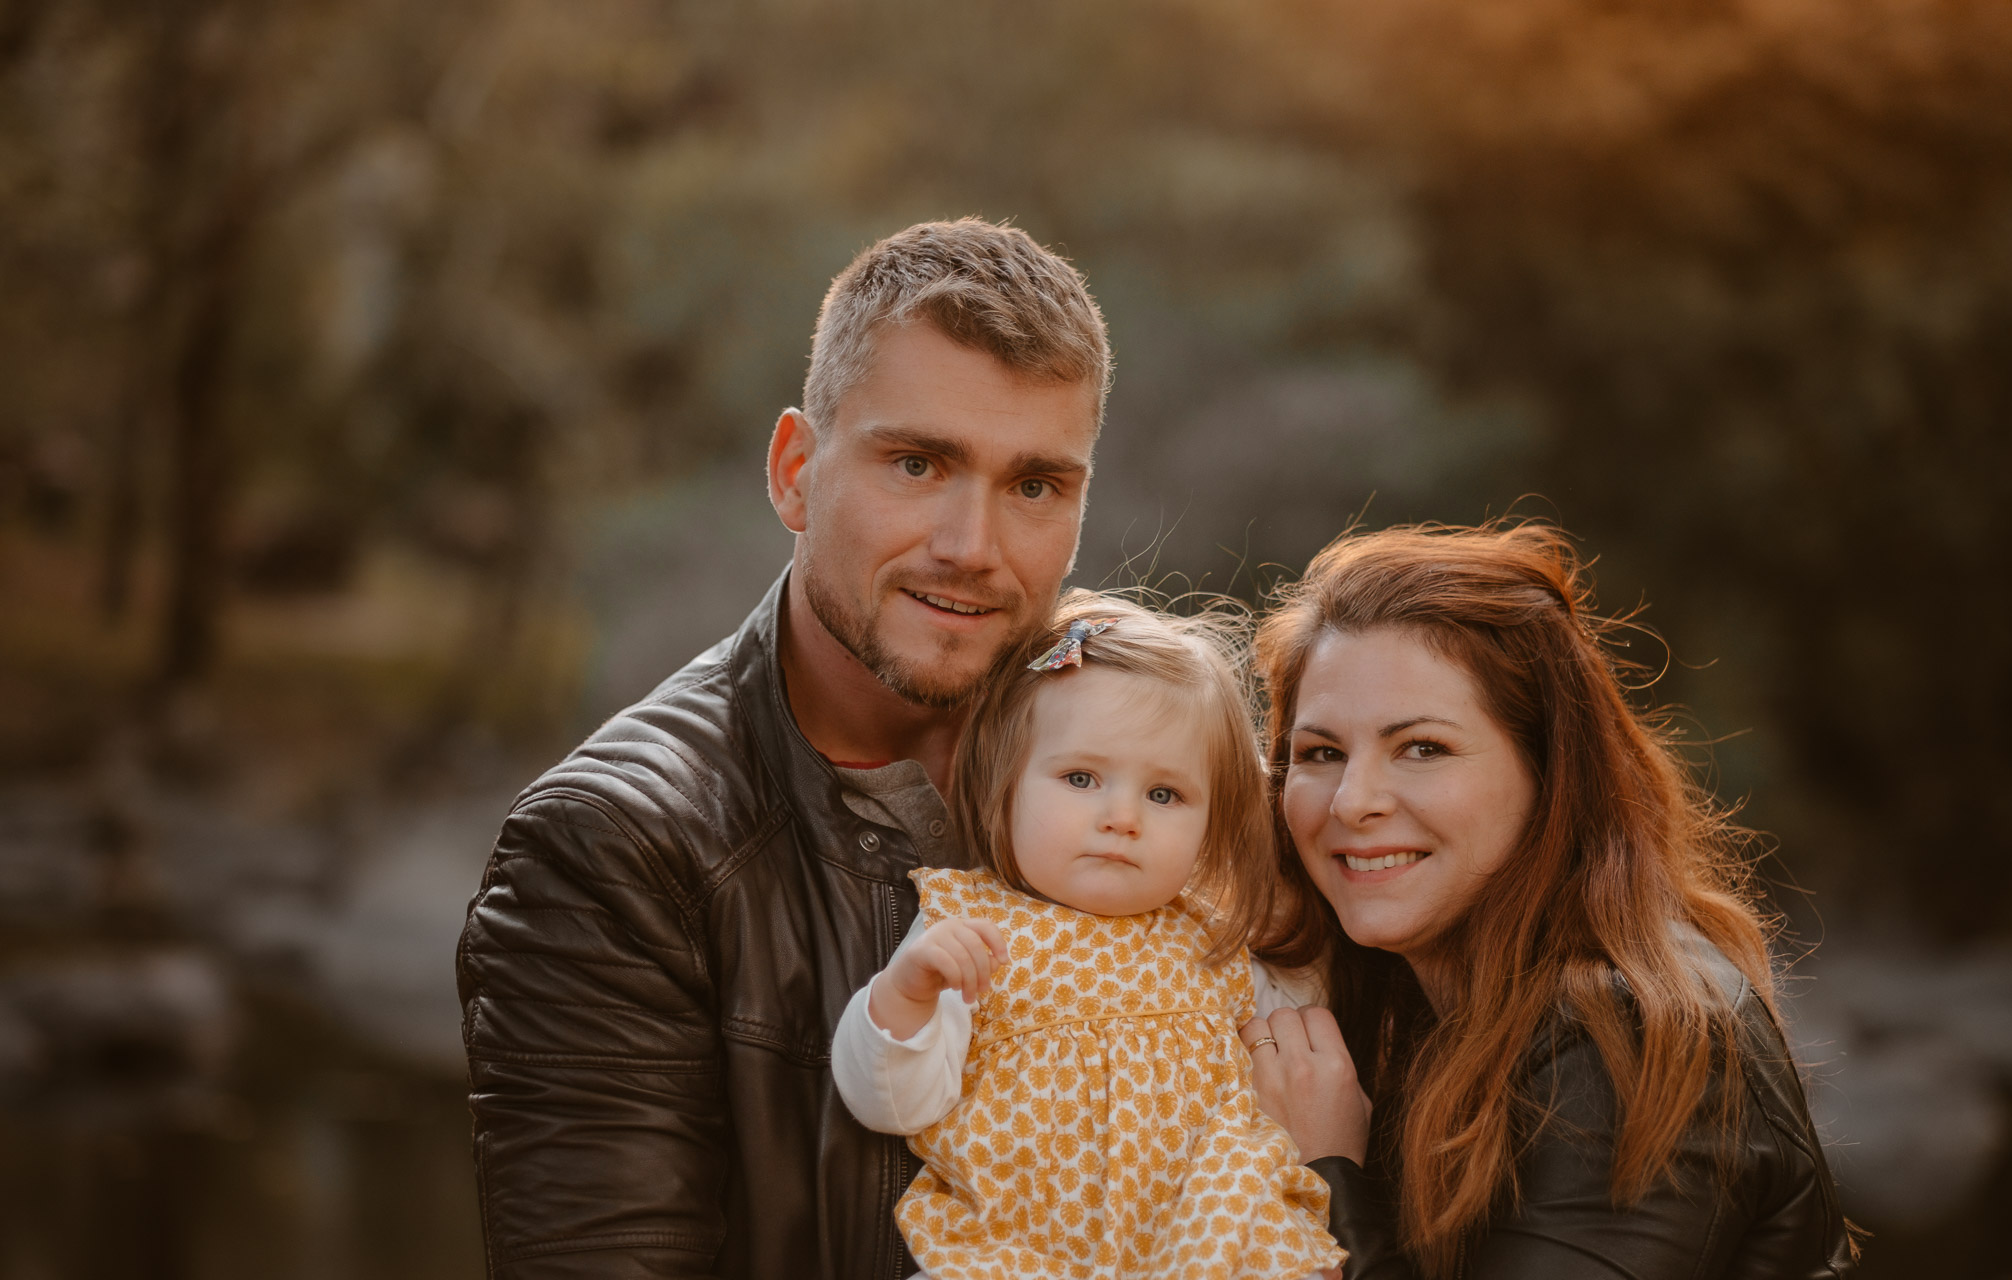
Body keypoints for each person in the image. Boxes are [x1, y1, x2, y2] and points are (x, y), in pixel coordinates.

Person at [456, 218, 1112, 1280]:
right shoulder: (610, 847)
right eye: (915, 462)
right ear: (795, 470)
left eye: (1033, 485)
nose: (970, 546)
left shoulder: (1159, 773)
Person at [1238, 522, 1856, 1279]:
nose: (1352, 801)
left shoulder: (1625, 1030)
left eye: (1422, 748)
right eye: (1321, 754)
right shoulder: (1404, 1006)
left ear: (1550, 772)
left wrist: (1326, 1173)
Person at [829, 592, 1345, 1280]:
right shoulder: (970, 926)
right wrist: (907, 995)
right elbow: (892, 1104)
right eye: (1081, 778)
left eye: (1165, 795)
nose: (1122, 817)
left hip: (1210, 1241)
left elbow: (1305, 1057)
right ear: (1003, 785)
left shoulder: (1217, 939)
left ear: (1212, 819)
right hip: (1020, 1249)